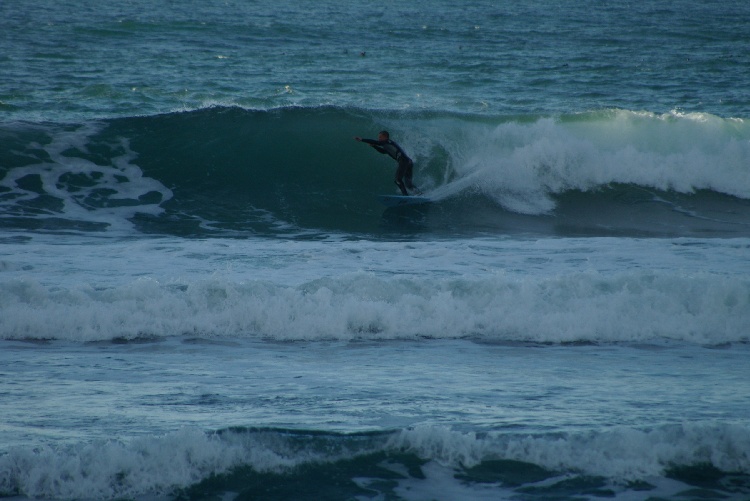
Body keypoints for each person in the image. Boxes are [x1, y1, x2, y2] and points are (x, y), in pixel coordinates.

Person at [354, 131, 419, 196]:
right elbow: (384, 151)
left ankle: (405, 196)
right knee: (408, 184)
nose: (379, 138)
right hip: (408, 162)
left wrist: (362, 139)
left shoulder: (386, 141)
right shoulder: (388, 144)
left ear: (385, 137)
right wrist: (374, 146)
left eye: (380, 137)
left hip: (404, 161)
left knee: (397, 180)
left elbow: (376, 142)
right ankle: (419, 193)